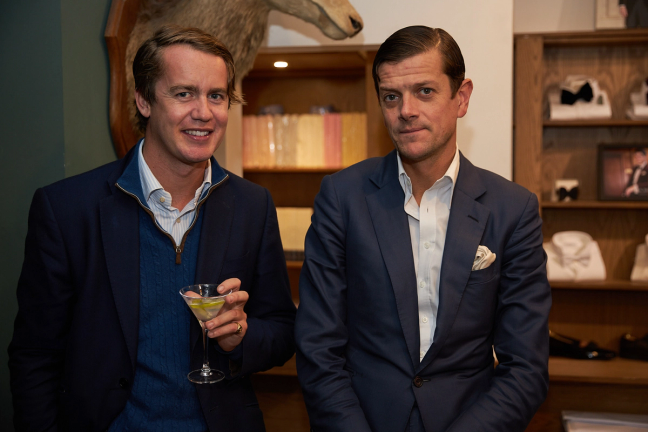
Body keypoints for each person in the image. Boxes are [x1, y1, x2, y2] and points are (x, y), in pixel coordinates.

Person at [8, 25, 296, 432]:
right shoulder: (67, 209)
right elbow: (35, 355)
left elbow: (282, 332)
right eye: (184, 93)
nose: (204, 112)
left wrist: (240, 337)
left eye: (216, 96)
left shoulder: (253, 205)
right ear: (143, 100)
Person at [295, 26, 551, 432]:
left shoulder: (512, 209)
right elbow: (317, 346)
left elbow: (526, 367)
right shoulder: (342, 197)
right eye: (391, 96)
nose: (406, 110)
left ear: (461, 98)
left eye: (425, 91)